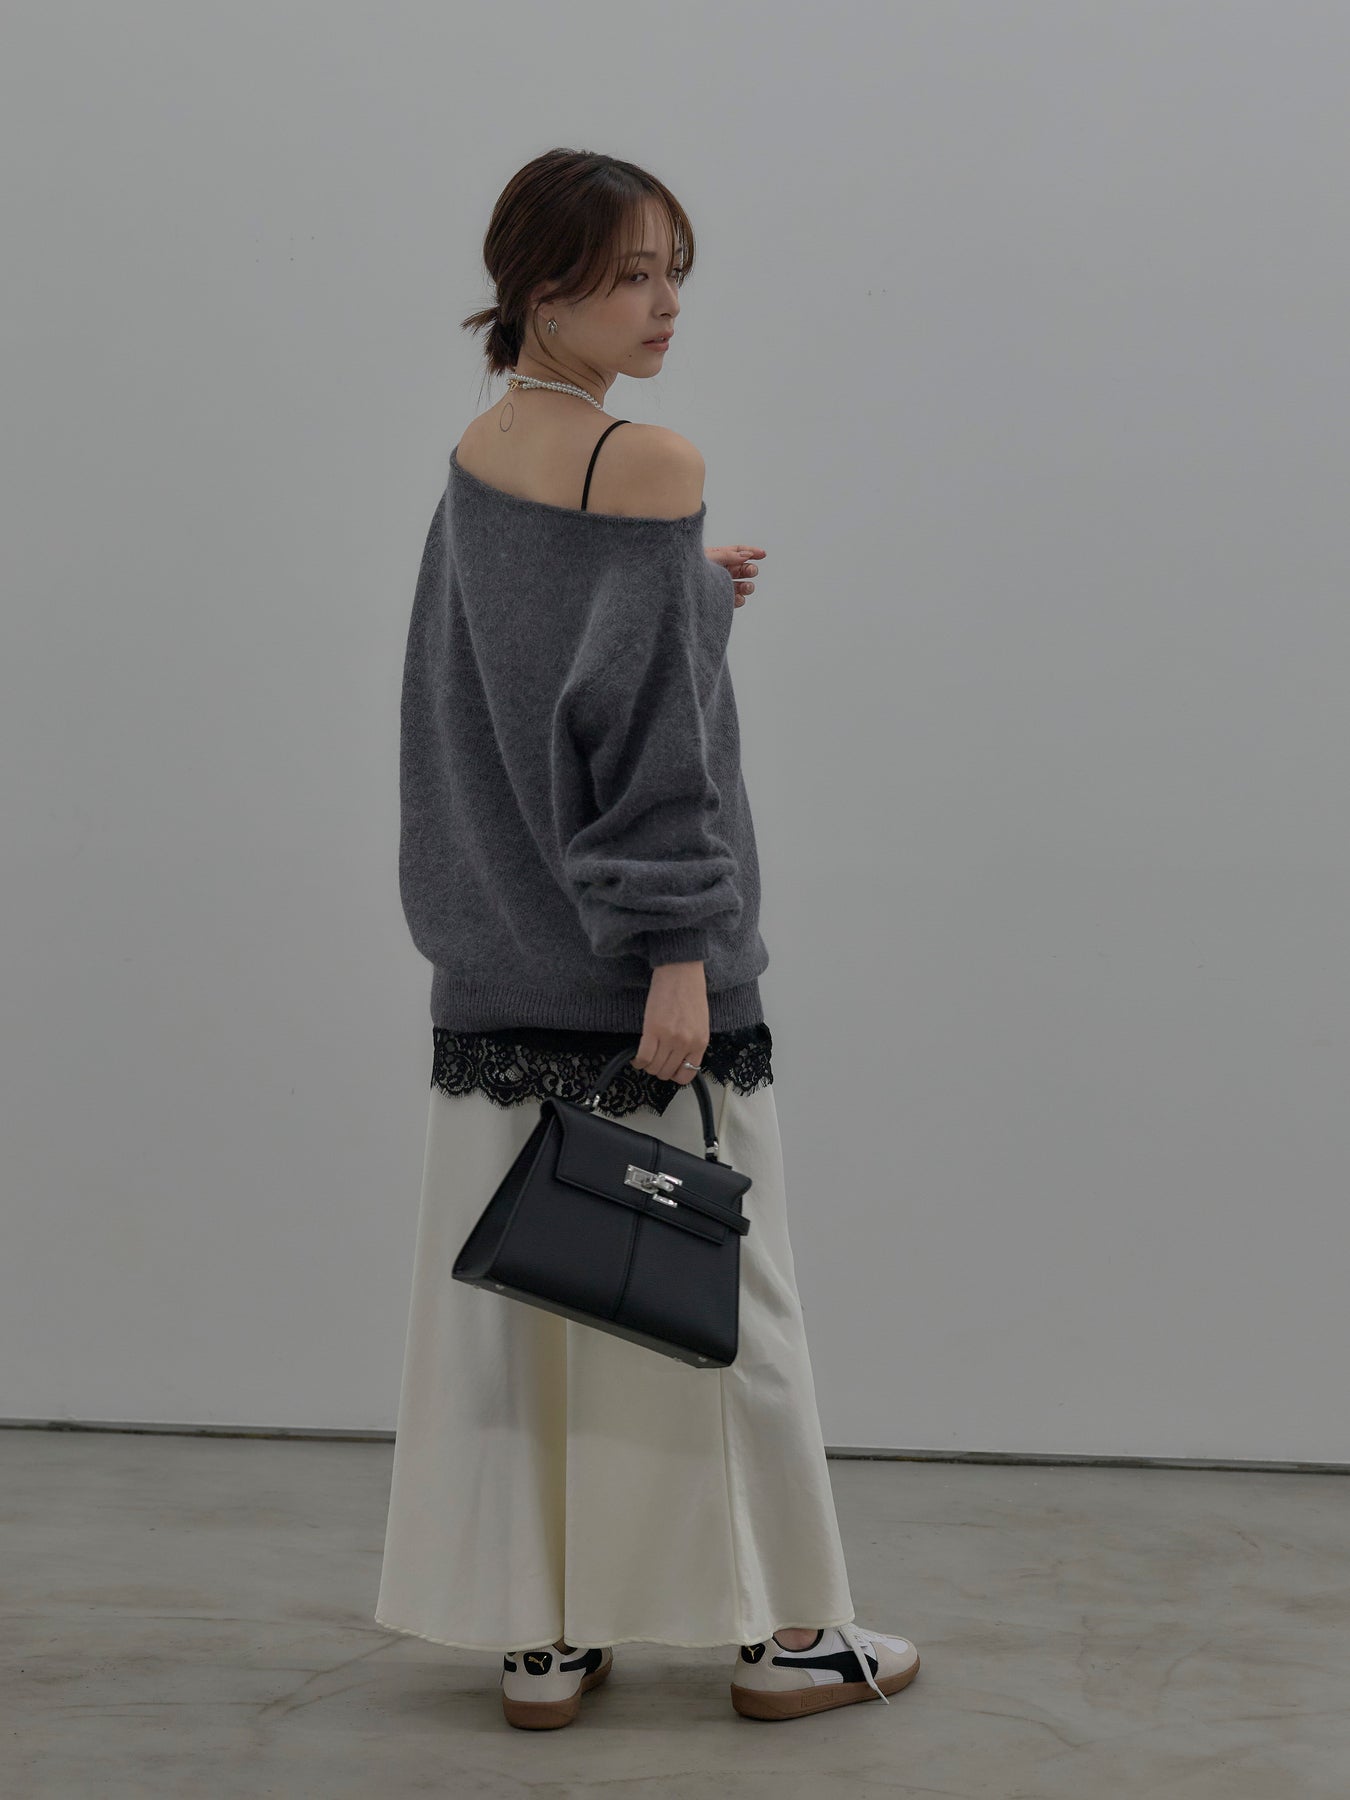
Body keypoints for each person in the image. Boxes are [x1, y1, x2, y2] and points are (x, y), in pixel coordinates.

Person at [372, 146, 920, 1728]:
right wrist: (677, 953)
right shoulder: (647, 461)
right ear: (538, 284)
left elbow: (517, 684)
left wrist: (685, 599)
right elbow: (645, 752)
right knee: (725, 1309)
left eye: (675, 270)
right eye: (627, 276)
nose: (664, 305)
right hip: (639, 975)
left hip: (496, 959)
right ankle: (786, 1637)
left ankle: (543, 1641)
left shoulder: (484, 445)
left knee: (530, 1325)